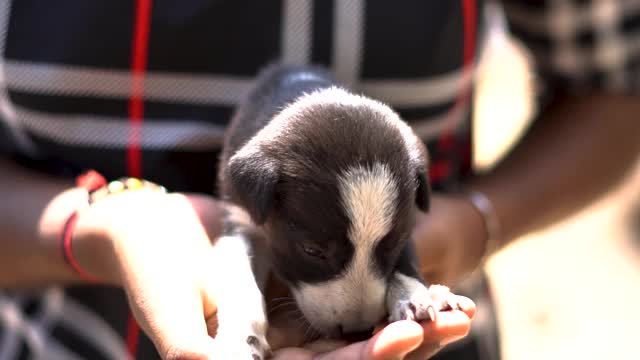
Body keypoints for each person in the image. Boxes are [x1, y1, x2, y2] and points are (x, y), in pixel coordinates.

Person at [0, 1, 638, 359]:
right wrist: (88, 229)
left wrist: (470, 224)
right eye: (317, 253)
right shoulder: (253, 185)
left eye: (387, 248)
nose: (353, 311)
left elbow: (619, 84)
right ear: (252, 194)